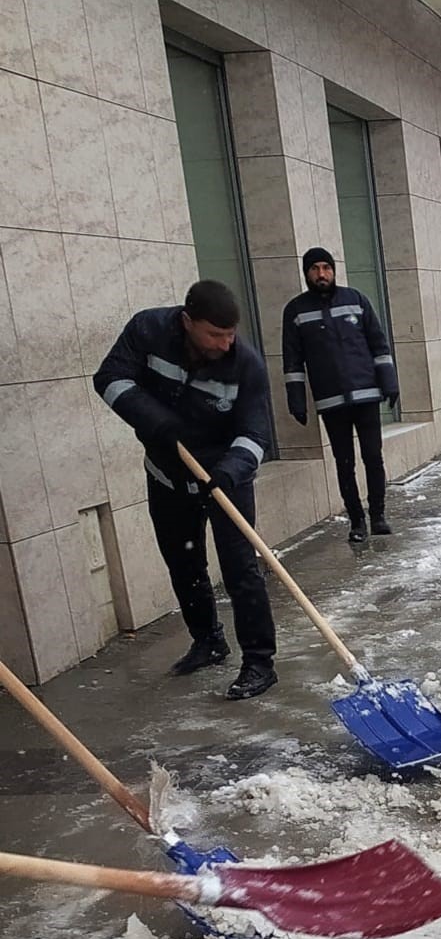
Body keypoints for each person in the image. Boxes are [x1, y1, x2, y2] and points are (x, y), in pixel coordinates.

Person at [93, 281, 278, 700]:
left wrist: (230, 471)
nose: (225, 343)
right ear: (187, 322)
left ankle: (259, 663)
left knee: (241, 570)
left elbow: (255, 432)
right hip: (167, 470)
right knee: (183, 561)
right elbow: (109, 378)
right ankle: (208, 640)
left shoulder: (244, 364)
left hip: (224, 477)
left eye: (231, 333)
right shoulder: (148, 331)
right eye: (215, 334)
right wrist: (154, 419)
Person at [281, 247, 399, 542]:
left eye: (326, 268)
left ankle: (378, 516)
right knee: (344, 462)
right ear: (306, 273)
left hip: (366, 394)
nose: (322, 274)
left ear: (333, 270)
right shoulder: (295, 311)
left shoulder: (356, 300)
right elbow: (292, 360)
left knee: (373, 456)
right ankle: (356, 522)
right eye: (315, 269)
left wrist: (390, 382)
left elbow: (378, 344)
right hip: (331, 400)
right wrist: (296, 399)